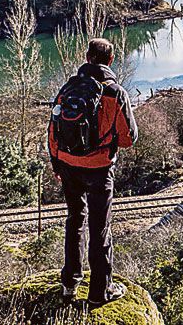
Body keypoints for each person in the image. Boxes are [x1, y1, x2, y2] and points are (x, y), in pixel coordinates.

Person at [48, 37, 137, 305]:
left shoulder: (68, 88)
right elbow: (129, 138)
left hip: (67, 165)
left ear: (87, 58)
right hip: (99, 169)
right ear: (111, 60)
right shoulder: (114, 92)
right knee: (100, 227)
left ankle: (69, 285)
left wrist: (57, 164)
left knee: (75, 219)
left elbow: (53, 130)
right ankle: (100, 292)